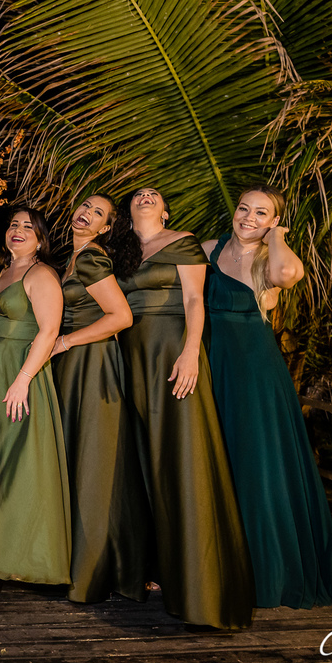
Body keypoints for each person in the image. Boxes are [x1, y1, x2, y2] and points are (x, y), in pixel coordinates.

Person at [115, 186, 254, 630]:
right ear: (128, 211)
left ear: (166, 210)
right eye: (138, 194)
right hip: (131, 357)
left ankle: (203, 587)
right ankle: (157, 568)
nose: (146, 196)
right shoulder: (120, 252)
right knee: (146, 461)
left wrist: (192, 351)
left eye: (154, 194)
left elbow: (195, 299)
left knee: (184, 456)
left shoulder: (183, 241)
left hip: (172, 351)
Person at [203, 184, 332, 608]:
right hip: (210, 364)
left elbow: (288, 276)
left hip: (253, 372)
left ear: (273, 220)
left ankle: (266, 569)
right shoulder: (210, 249)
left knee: (256, 462)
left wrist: (277, 237)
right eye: (244, 208)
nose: (248, 217)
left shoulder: (271, 258)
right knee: (215, 457)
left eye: (261, 213)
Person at [49, 194, 150, 603]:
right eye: (85, 206)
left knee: (95, 462)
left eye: (97, 213)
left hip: (91, 364)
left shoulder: (92, 258)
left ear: (106, 227)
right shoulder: (70, 259)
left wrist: (66, 341)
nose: (85, 213)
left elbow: (121, 317)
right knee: (79, 457)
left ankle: (93, 569)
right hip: (74, 364)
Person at [0, 209, 71, 585]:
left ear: (41, 239)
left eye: (29, 227)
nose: (18, 230)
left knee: (23, 461)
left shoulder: (40, 274)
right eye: (14, 225)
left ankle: (29, 559)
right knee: (1, 459)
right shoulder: (2, 273)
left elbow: (49, 330)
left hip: (22, 372)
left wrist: (23, 379)